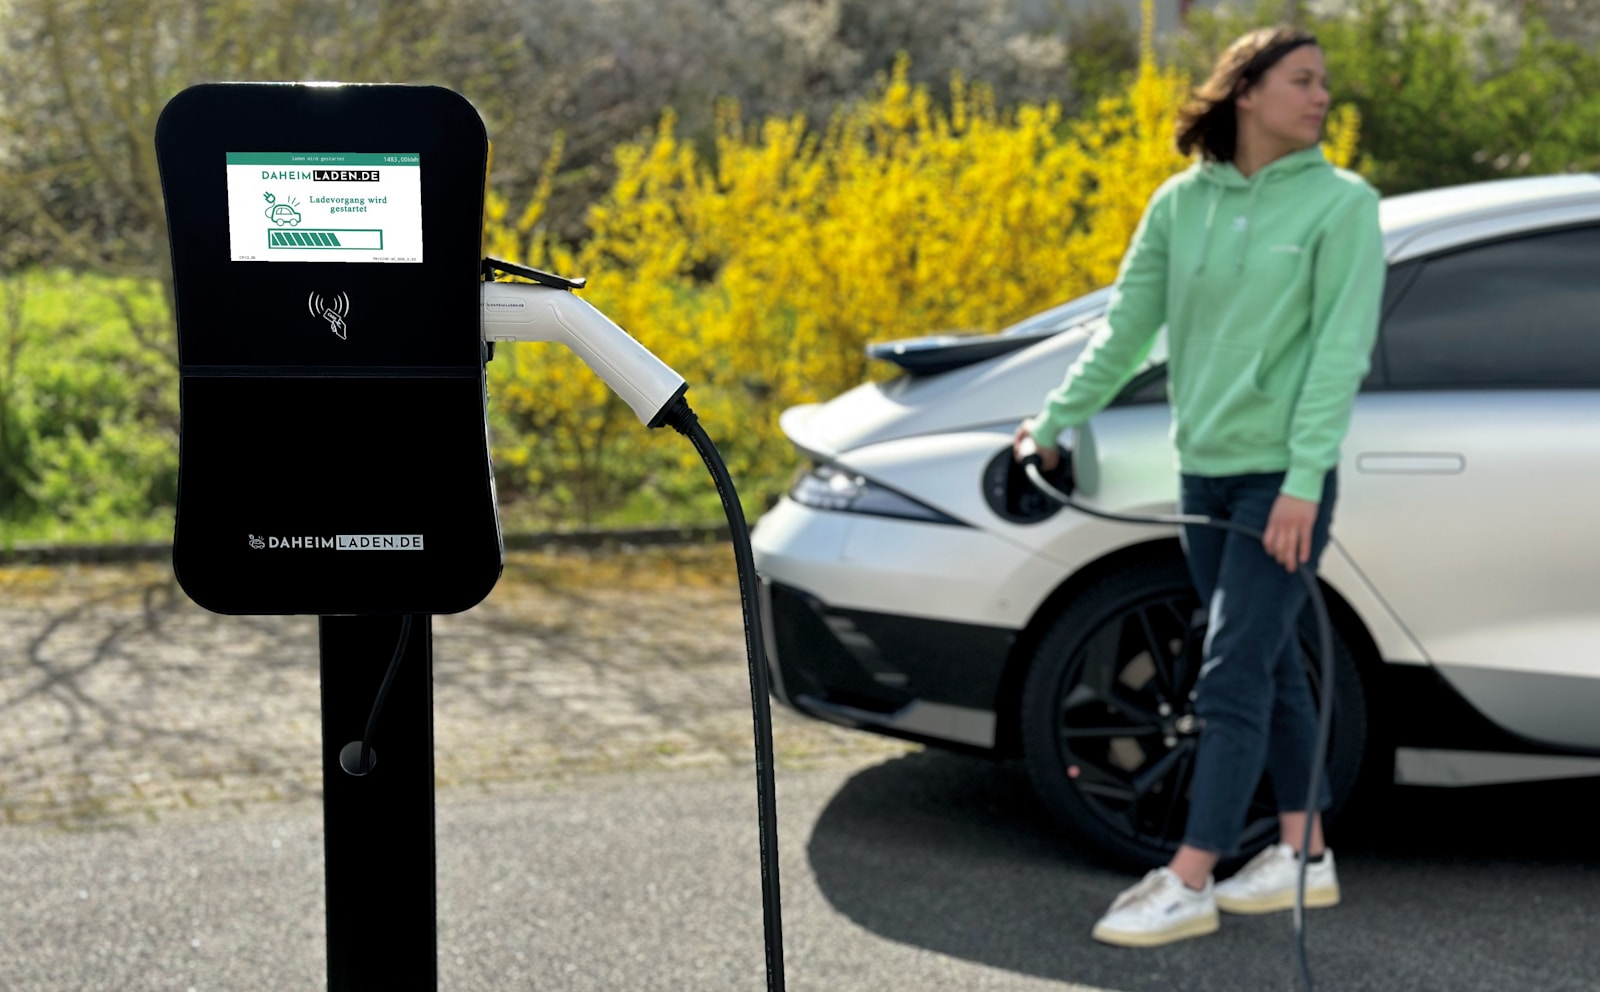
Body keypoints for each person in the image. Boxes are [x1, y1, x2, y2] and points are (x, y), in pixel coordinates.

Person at [1012, 25, 1384, 948]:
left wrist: (1303, 480)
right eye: (1302, 81)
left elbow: (1339, 354)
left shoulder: (1343, 207)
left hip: (1281, 483)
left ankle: (1189, 876)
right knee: (1267, 668)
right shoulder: (1179, 206)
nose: (1321, 97)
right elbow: (1125, 330)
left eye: (1323, 83)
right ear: (1246, 92)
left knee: (1227, 673)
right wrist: (1052, 419)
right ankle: (1305, 854)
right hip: (1203, 473)